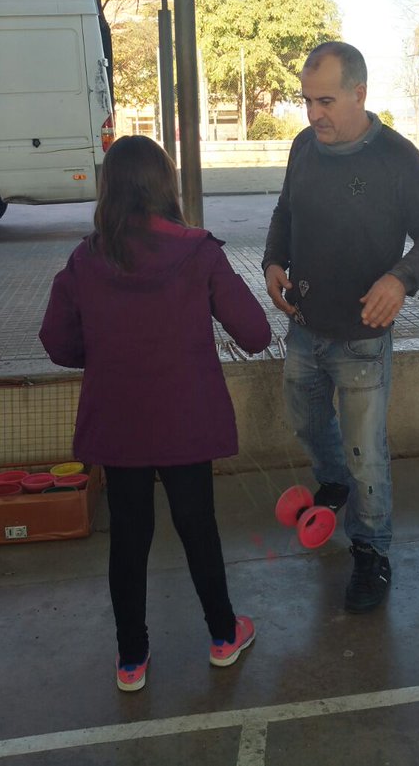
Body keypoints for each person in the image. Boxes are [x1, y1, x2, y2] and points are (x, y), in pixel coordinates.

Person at [39, 135, 272, 692]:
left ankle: (131, 659)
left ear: (108, 189)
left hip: (118, 425)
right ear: (165, 185)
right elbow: (257, 333)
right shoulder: (199, 251)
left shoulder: (86, 257)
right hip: (185, 421)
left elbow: (56, 341)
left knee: (128, 537)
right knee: (199, 529)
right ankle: (222, 636)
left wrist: (99, 356)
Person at [263, 41, 419, 613]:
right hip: (304, 326)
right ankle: (333, 482)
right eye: (306, 101)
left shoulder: (397, 158)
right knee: (307, 421)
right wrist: (273, 260)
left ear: (359, 94)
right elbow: (285, 213)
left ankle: (371, 552)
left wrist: (400, 280)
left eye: (325, 100)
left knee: (367, 451)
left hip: (363, 339)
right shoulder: (303, 148)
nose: (312, 114)